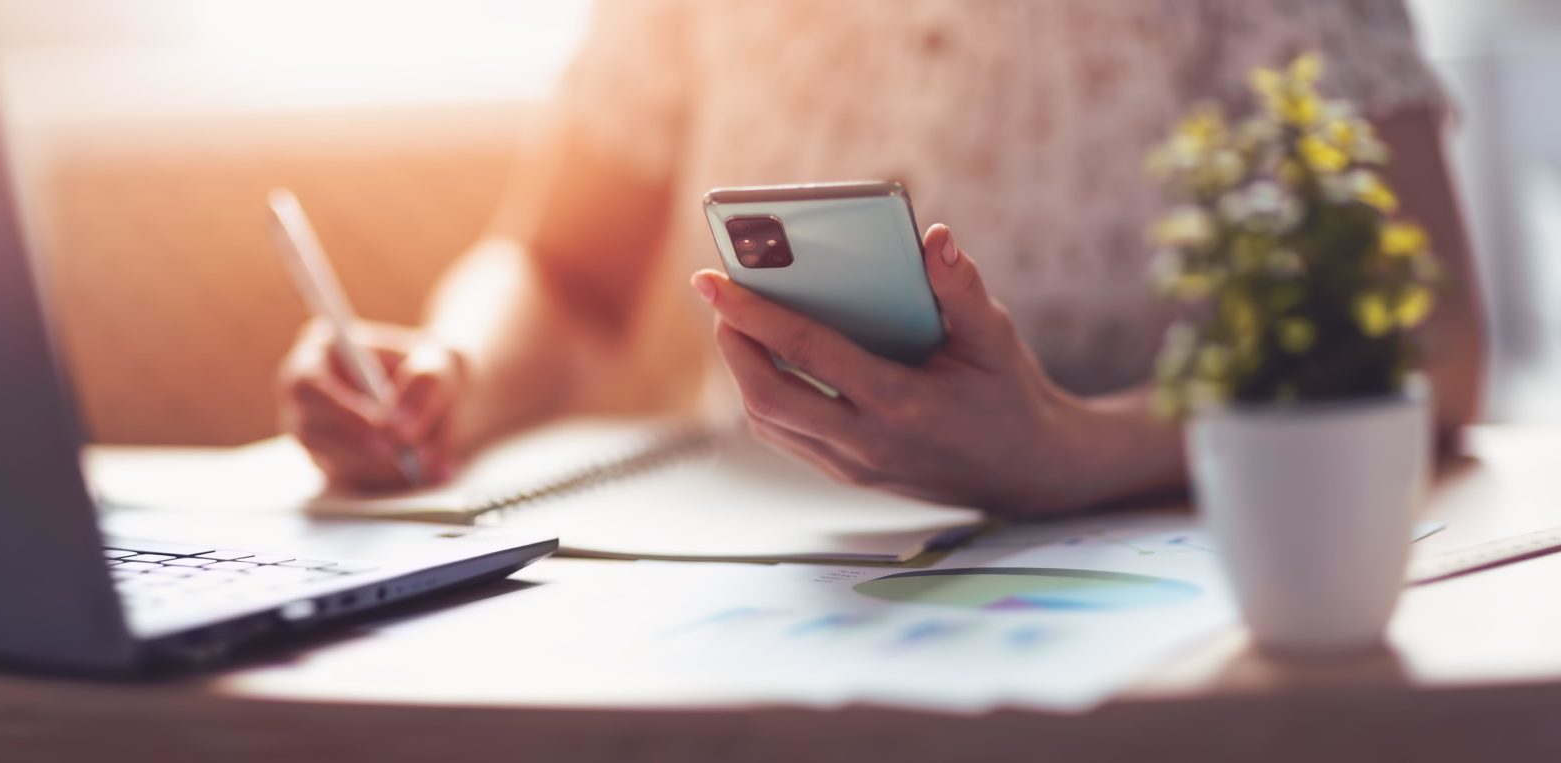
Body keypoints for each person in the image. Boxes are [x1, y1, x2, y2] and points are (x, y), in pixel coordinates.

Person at [278, 0, 1483, 515]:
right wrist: (449, 373)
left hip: (1149, 563)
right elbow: (558, 271)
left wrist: (1075, 447)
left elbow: (1437, 345)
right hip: (764, 565)